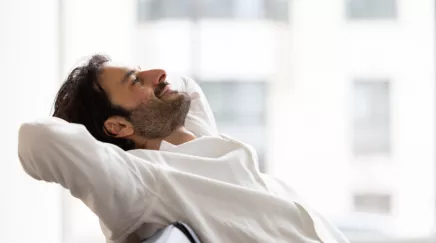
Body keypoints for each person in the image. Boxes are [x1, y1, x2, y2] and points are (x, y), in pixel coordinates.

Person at [18, 55, 349, 243]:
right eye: (136, 80)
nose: (158, 73)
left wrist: (141, 90)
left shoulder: (194, 135)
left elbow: (185, 86)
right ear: (118, 127)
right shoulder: (140, 182)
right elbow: (38, 139)